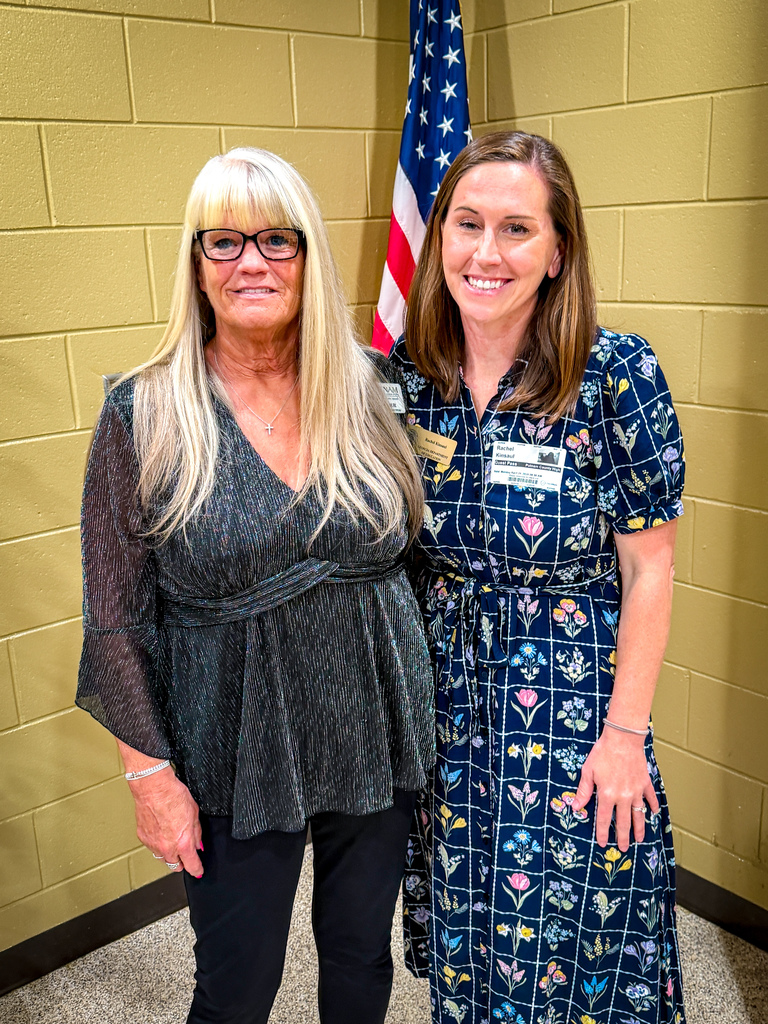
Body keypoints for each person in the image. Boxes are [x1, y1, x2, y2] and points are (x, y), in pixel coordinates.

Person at [76, 147, 435, 1024]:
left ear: (309, 255)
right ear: (196, 267)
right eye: (225, 241)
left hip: (375, 720)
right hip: (233, 740)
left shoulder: (376, 389)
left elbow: (418, 559)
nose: (253, 263)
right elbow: (116, 620)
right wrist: (150, 779)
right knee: (237, 985)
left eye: (278, 239)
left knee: (360, 956)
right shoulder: (145, 411)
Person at [390, 132, 686, 1024]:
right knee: (471, 928)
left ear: (559, 250)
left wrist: (625, 737)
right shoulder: (411, 377)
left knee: (579, 931)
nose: (486, 254)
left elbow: (651, 570)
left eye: (517, 229)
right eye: (467, 224)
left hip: (570, 701)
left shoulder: (614, 375)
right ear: (439, 236)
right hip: (445, 700)